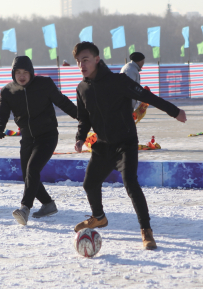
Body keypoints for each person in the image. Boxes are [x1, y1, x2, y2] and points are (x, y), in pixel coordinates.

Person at [72, 42, 187, 250]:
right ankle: (98, 217)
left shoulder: (119, 81)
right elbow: (84, 119)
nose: (82, 65)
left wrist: (174, 111)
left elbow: (146, 96)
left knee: (130, 183)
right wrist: (80, 137)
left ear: (97, 59)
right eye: (78, 61)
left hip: (125, 143)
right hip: (102, 146)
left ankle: (146, 231)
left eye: (86, 59)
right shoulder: (82, 89)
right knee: (89, 184)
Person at [0, 56, 78, 225]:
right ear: (13, 74)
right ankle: (48, 204)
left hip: (47, 136)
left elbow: (62, 102)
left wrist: (83, 118)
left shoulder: (44, 84)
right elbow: (2, 112)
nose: (22, 76)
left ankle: (25, 208)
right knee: (28, 174)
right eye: (18, 72)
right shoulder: (8, 91)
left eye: (25, 72)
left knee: (32, 168)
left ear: (31, 73)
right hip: (27, 138)